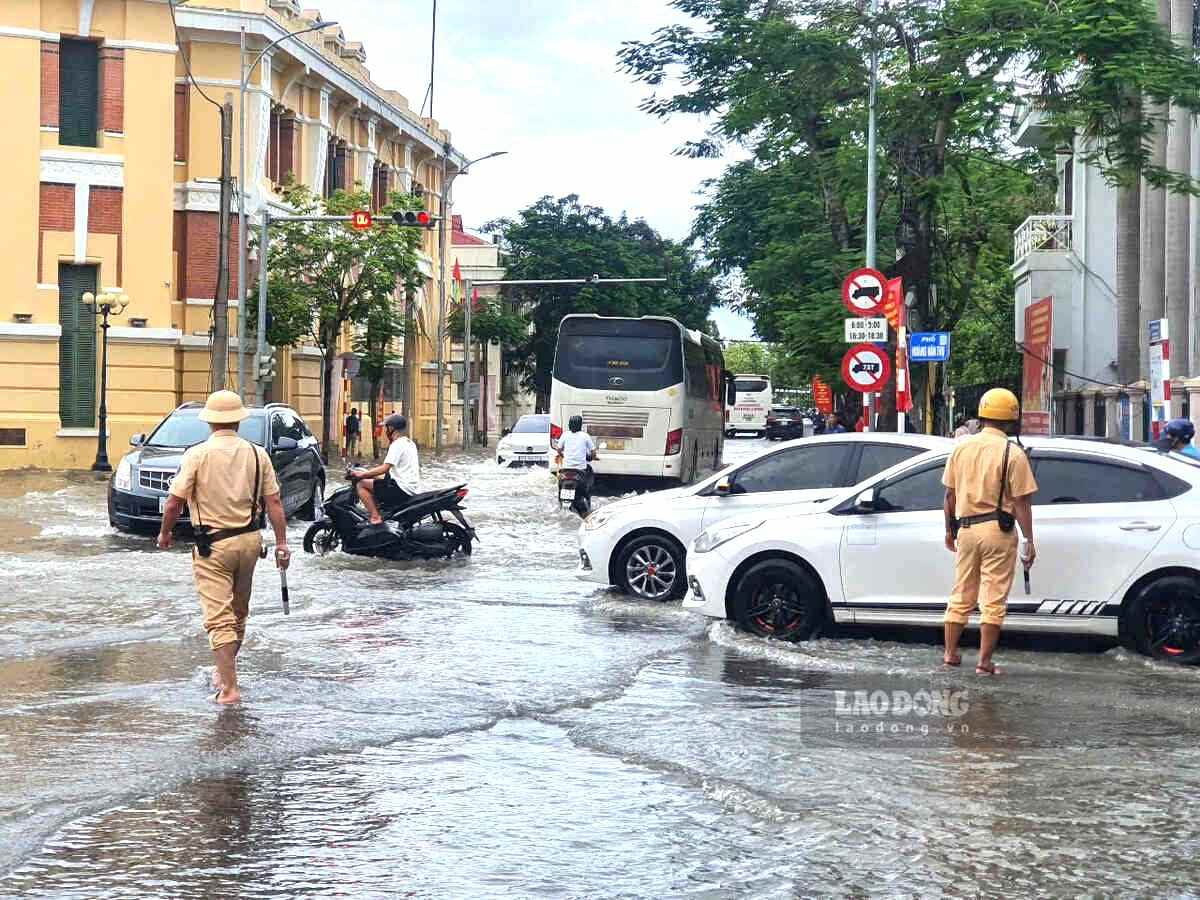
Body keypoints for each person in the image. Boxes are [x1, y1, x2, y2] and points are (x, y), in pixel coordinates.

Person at [157, 390, 291, 705]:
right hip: (249, 543)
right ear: (239, 421)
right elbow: (273, 502)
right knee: (238, 612)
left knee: (219, 618)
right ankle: (224, 672)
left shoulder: (197, 454)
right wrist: (282, 543)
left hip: (212, 546)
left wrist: (165, 534)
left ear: (210, 422)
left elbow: (174, 503)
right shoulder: (259, 455)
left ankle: (229, 689)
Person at [941, 387, 1038, 676]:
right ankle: (984, 662)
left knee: (961, 594)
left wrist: (950, 530)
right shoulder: (1013, 453)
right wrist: (1029, 540)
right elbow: (1021, 502)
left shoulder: (961, 448)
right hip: (998, 530)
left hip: (967, 529)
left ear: (982, 415)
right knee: (992, 599)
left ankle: (950, 654)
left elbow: (949, 495)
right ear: (1011, 419)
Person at [352, 413, 419, 525]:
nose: (385, 431)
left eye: (386, 427)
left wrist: (361, 475)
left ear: (392, 428)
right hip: (409, 488)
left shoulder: (397, 444)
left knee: (361, 484)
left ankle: (375, 516)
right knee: (375, 481)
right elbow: (391, 473)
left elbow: (384, 468)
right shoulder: (409, 443)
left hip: (400, 489)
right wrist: (370, 474)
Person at [555, 414, 598, 513]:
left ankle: (560, 504)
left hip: (565, 470)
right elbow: (593, 452)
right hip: (580, 471)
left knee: (559, 487)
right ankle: (588, 500)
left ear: (569, 425)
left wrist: (563, 455)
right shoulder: (585, 436)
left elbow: (558, 449)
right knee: (588, 483)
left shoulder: (565, 435)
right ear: (580, 425)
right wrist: (593, 457)